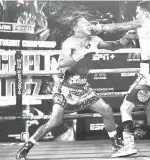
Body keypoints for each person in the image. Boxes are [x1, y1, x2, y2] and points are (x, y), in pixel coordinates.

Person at [15, 16, 137, 160]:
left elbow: (114, 45)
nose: (89, 25)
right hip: (65, 88)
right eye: (85, 23)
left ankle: (116, 144)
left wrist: (126, 38)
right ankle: (24, 149)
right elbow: (61, 64)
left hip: (83, 87)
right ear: (76, 28)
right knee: (54, 121)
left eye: (88, 23)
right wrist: (82, 53)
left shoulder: (94, 40)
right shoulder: (69, 42)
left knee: (107, 110)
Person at [91, 1, 150, 157]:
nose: (136, 17)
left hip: (149, 73)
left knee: (125, 108)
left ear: (147, 14)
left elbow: (119, 26)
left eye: (138, 14)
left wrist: (99, 28)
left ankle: (129, 146)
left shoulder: (143, 26)